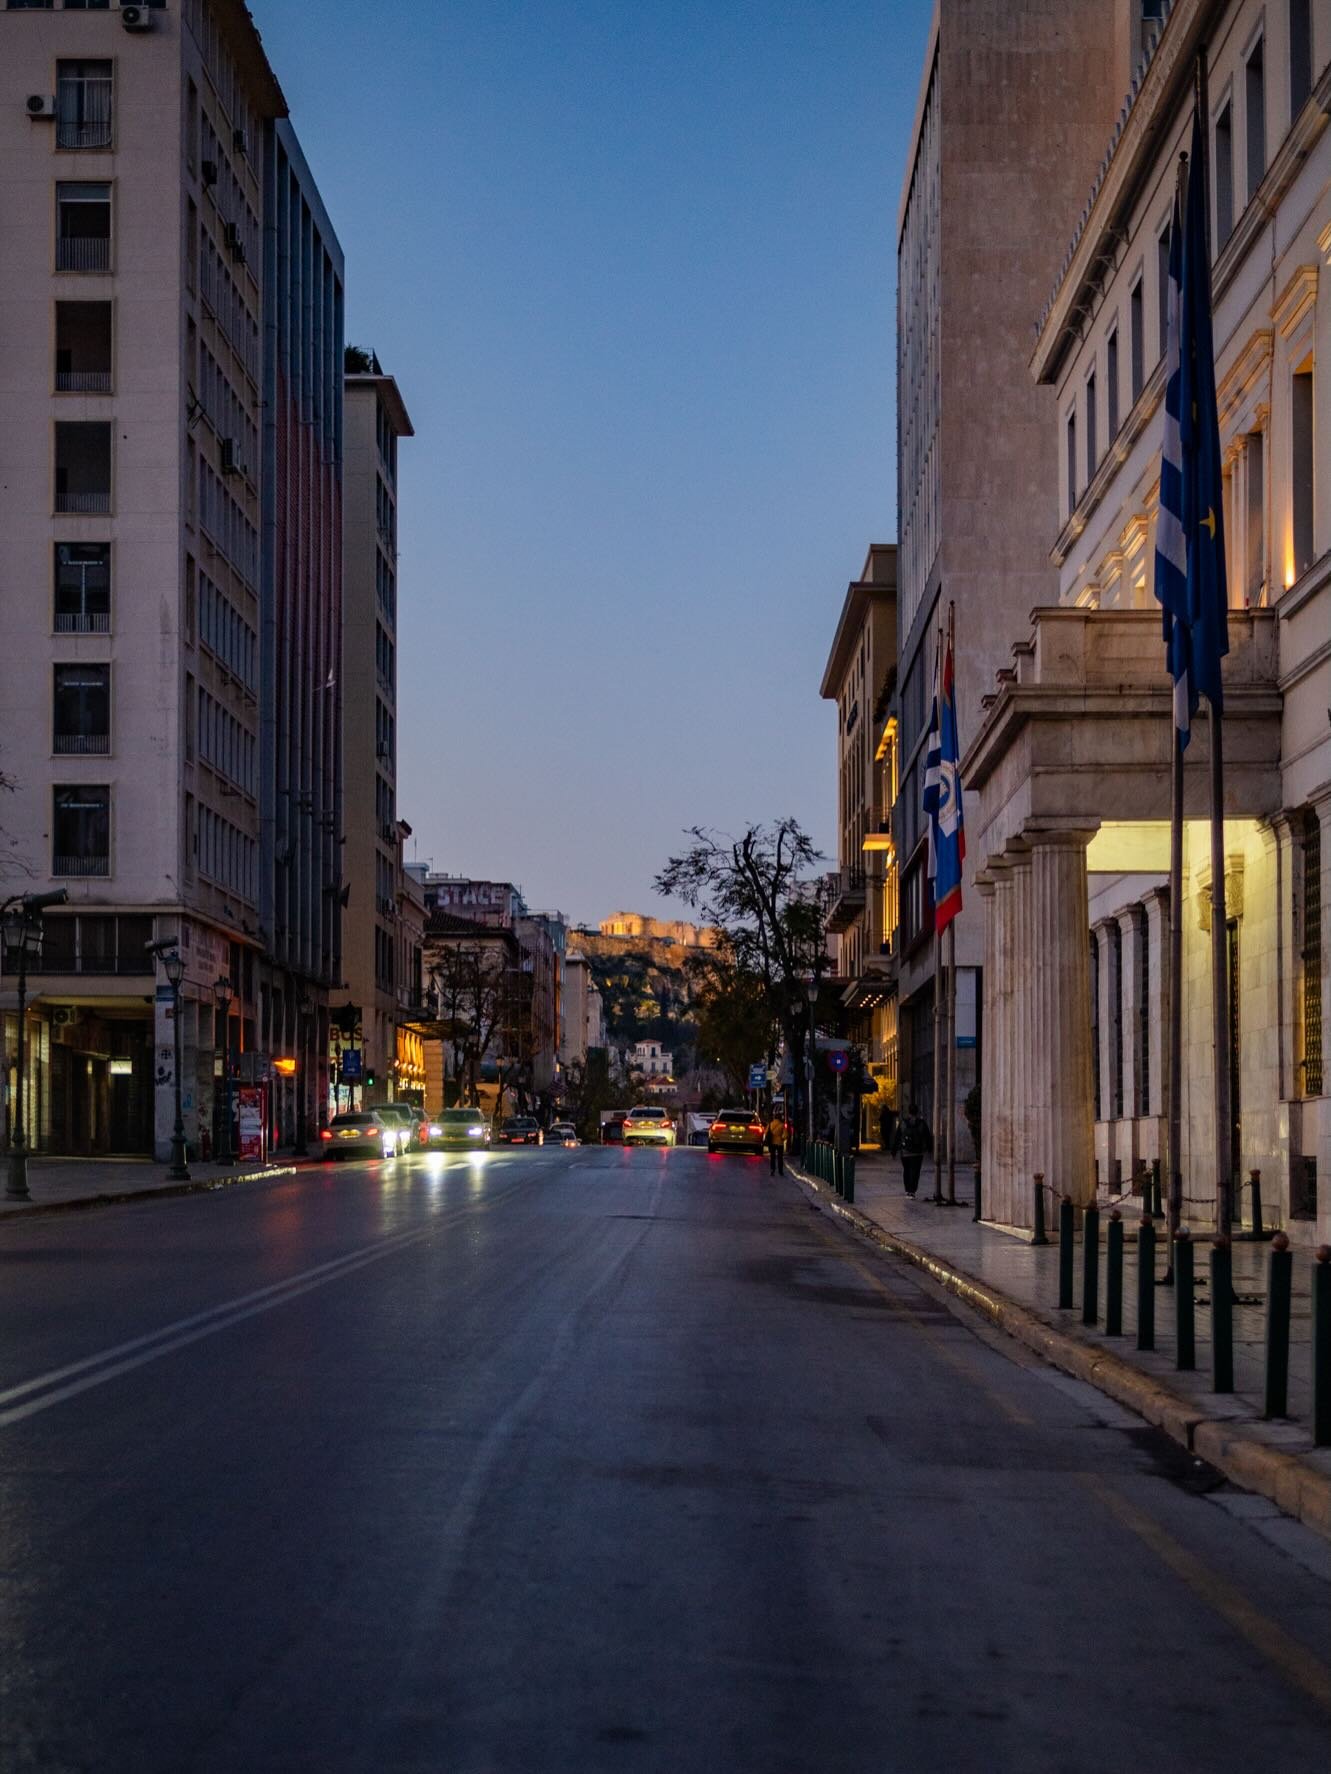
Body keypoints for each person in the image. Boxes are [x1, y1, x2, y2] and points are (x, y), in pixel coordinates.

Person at [898, 1104, 931, 1198]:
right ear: (917, 1112)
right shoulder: (921, 1123)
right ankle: (913, 1190)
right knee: (915, 1171)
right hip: (918, 1152)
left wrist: (894, 1150)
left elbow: (898, 1136)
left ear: (908, 1111)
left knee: (906, 1170)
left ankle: (907, 1190)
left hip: (905, 1152)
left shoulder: (903, 1123)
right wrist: (929, 1148)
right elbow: (927, 1136)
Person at [765, 1109, 787, 1176]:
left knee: (772, 1157)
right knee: (780, 1157)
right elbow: (785, 1135)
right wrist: (782, 1138)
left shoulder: (770, 1124)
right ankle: (780, 1171)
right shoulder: (782, 1125)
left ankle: (772, 1169)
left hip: (772, 1143)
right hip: (780, 1143)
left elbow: (766, 1133)